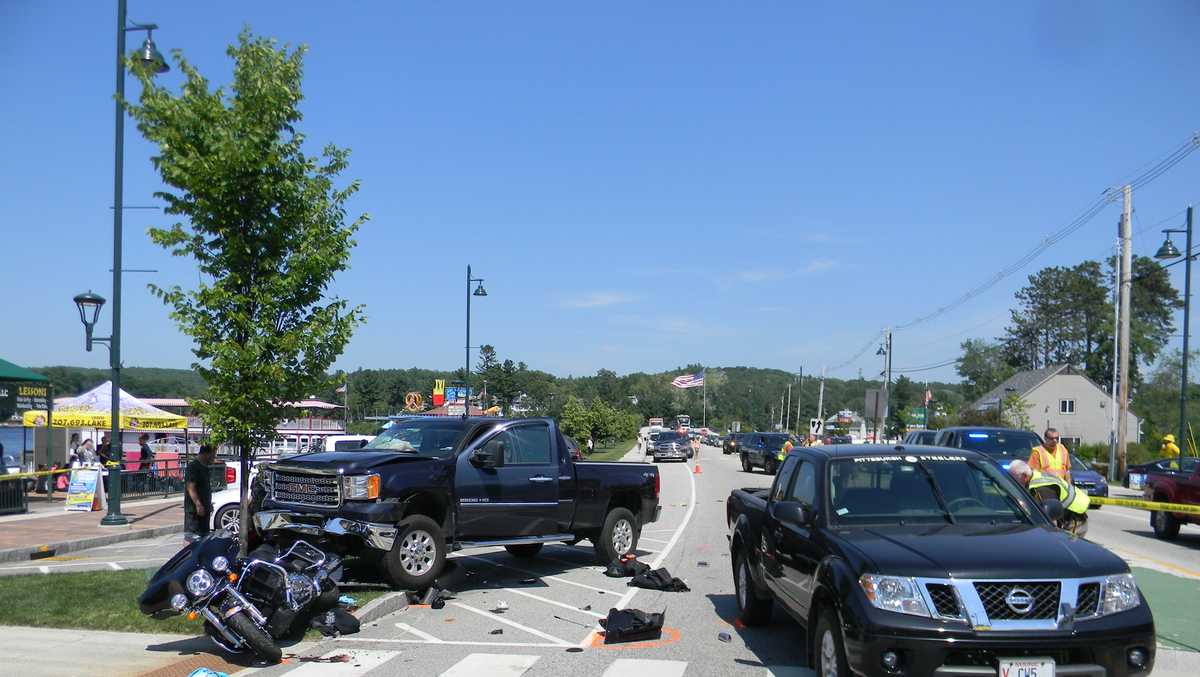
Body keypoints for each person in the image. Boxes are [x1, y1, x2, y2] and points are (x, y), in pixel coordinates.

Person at [1008, 459, 1089, 536]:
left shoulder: (1042, 489)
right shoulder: (1035, 476)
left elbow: (1050, 521)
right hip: (1071, 515)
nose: (1013, 482)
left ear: (1024, 476)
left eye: (1014, 479)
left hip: (1074, 521)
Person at [185, 444, 216, 541]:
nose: (214, 458)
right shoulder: (193, 467)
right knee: (191, 538)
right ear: (207, 454)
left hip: (205, 509)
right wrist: (198, 504)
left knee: (204, 537)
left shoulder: (205, 467)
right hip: (194, 511)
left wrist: (208, 504)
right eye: (213, 455)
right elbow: (190, 487)